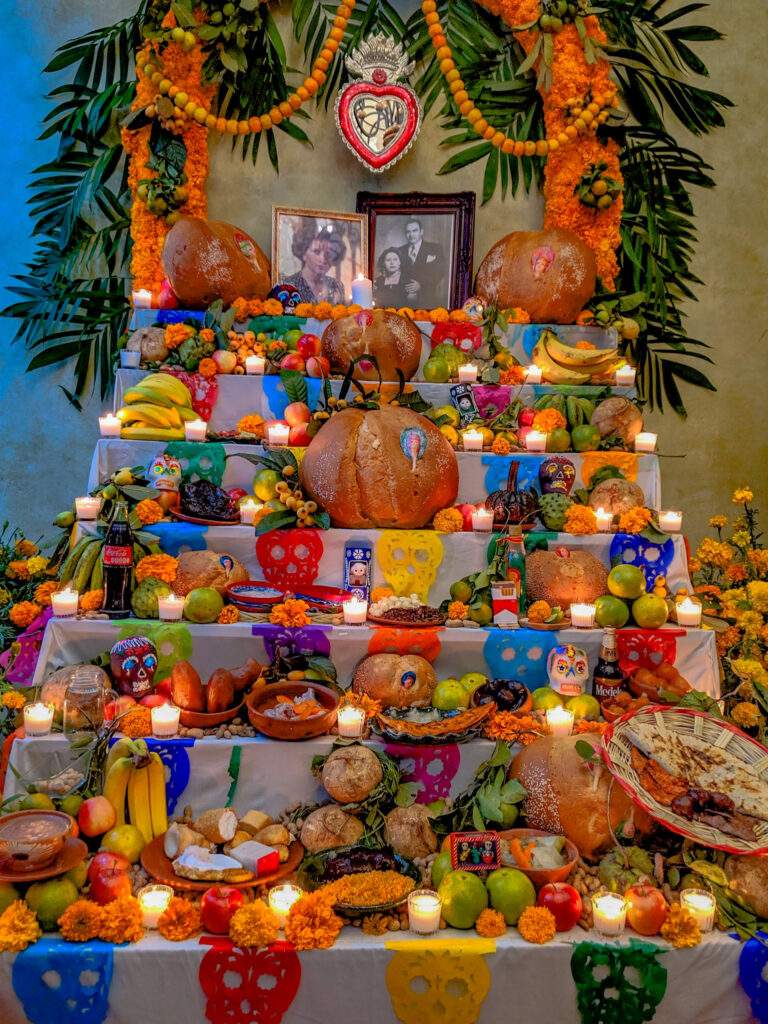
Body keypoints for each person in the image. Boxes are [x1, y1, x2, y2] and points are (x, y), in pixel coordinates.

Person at [283, 222, 346, 304]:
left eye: (328, 253)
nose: (323, 259)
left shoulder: (336, 286)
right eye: (317, 252)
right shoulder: (289, 286)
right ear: (304, 253)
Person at [395, 218, 445, 308]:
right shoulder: (399, 251)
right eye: (408, 232)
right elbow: (395, 273)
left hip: (427, 301)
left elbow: (440, 272)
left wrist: (421, 284)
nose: (411, 235)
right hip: (403, 301)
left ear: (421, 232)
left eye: (415, 231)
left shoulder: (435, 248)